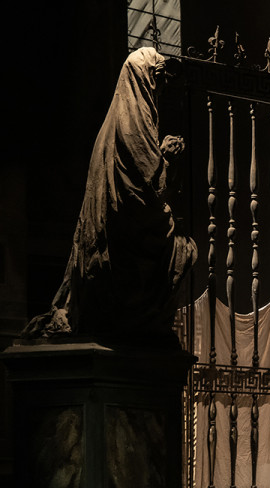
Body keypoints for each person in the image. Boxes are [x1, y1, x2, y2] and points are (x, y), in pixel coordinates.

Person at [22, 47, 196, 346]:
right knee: (184, 249)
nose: (163, 88)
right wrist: (166, 159)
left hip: (121, 231)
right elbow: (145, 194)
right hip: (124, 239)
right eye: (159, 79)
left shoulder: (118, 123)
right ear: (143, 80)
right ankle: (140, 322)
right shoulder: (133, 128)